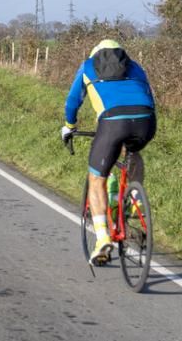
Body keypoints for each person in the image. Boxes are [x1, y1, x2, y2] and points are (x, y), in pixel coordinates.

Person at [61, 39, 156, 266]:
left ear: (96, 54)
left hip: (113, 123)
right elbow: (147, 94)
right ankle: (135, 197)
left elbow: (73, 101)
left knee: (96, 179)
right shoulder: (135, 66)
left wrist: (70, 126)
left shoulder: (88, 66)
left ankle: (102, 238)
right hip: (146, 121)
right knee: (132, 150)